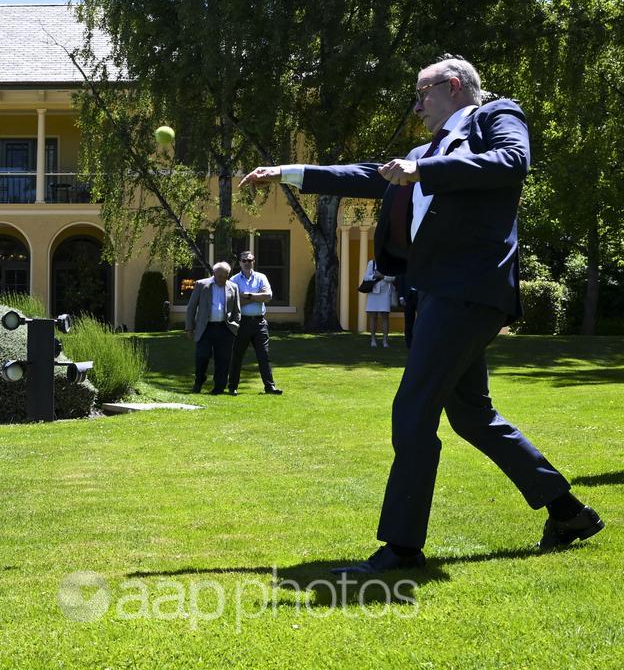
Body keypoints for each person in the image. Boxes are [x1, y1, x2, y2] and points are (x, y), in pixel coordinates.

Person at [239, 55, 602, 573]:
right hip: (434, 293)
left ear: (453, 87)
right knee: (473, 416)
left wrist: (422, 170)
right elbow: (368, 175)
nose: (417, 106)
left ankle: (403, 547)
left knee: (413, 409)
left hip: (467, 288)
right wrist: (287, 173)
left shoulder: (496, 116)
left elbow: (511, 162)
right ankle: (568, 511)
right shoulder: (423, 151)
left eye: (422, 94)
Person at [229, 251, 283, 395]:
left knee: (264, 355)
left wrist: (248, 295)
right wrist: (257, 297)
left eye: (250, 260)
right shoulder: (234, 280)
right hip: (242, 323)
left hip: (260, 323)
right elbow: (235, 301)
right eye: (244, 260)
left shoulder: (261, 277)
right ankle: (232, 386)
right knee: (237, 355)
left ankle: (269, 387)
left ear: (254, 261)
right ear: (240, 262)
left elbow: (268, 296)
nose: (247, 263)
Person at [184, 261, 241, 395]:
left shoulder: (233, 287)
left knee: (223, 359)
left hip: (225, 328)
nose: (222, 279)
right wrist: (189, 328)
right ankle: (199, 381)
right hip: (205, 328)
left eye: (225, 276)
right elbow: (191, 307)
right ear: (214, 273)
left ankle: (219, 387)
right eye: (220, 276)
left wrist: (235, 325)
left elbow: (236, 310)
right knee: (202, 356)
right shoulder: (202, 285)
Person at [363, 258, 396, 348]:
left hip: (385, 293)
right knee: (373, 316)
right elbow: (366, 277)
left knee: (385, 316)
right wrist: (374, 276)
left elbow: (393, 278)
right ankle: (373, 339)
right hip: (373, 292)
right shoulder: (372, 263)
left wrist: (382, 277)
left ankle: (385, 341)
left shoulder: (391, 262)